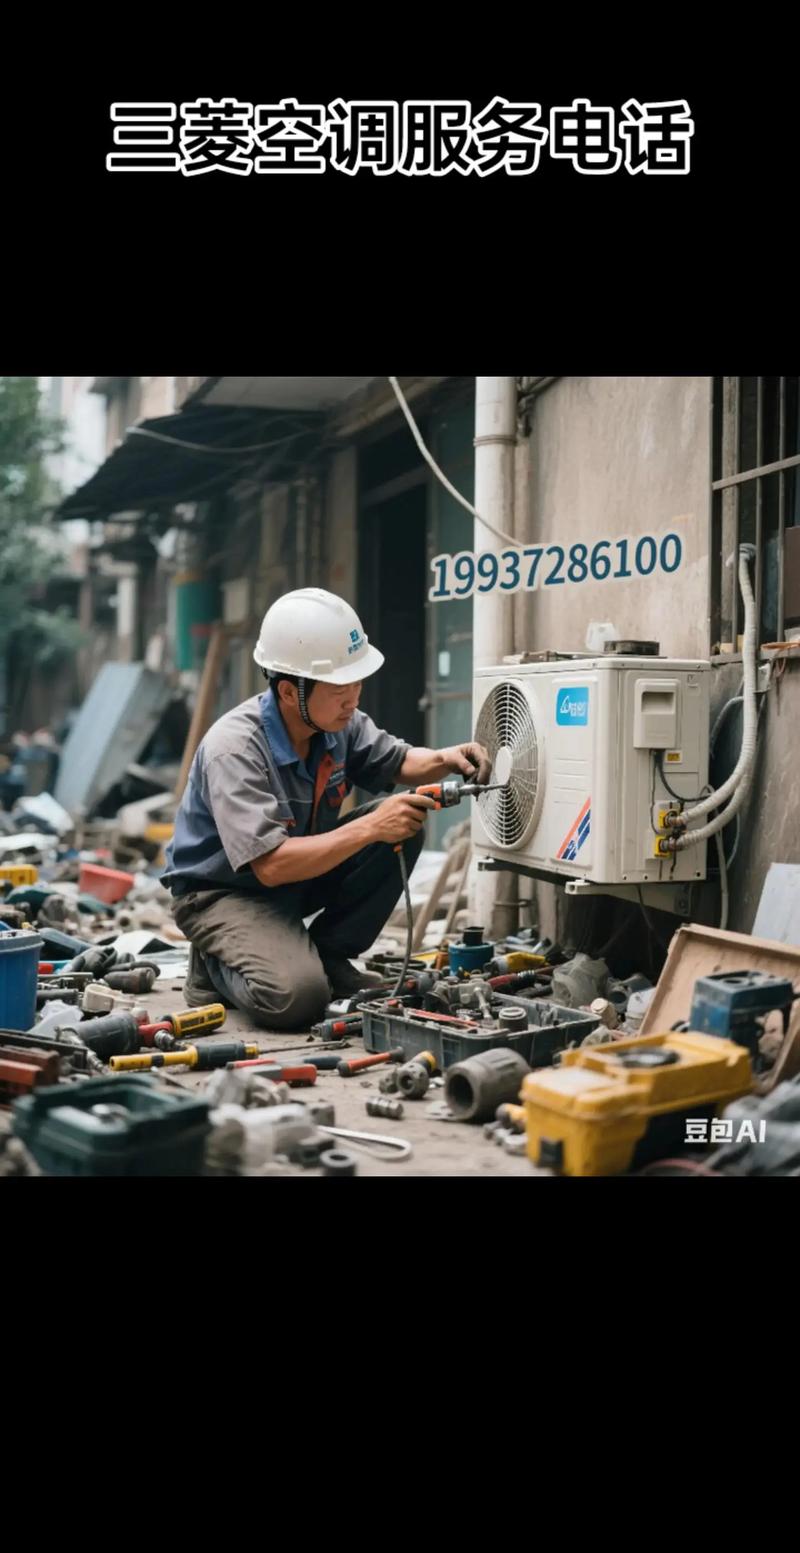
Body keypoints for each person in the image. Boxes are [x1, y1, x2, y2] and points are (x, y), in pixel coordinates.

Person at [161, 588, 490, 1030]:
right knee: (296, 999)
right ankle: (213, 964)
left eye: (357, 683)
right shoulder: (235, 748)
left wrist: (446, 758)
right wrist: (371, 827)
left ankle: (330, 956)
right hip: (222, 894)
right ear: (288, 691)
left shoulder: (337, 723)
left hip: (294, 876)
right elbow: (271, 866)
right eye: (339, 688)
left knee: (404, 823)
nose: (353, 699)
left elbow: (398, 762)